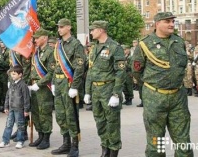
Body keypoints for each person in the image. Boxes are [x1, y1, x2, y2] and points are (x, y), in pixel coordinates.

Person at [132, 12, 194, 157]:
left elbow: (181, 67)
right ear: (157, 23)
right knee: (156, 145)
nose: (172, 24)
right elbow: (136, 71)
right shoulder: (144, 44)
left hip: (178, 98)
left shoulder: (179, 42)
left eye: (173, 21)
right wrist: (154, 87)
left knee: (184, 143)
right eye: (167, 21)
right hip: (155, 98)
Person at [84, 21, 126, 157]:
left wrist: (116, 94)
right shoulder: (95, 48)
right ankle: (105, 148)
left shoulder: (114, 47)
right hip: (96, 90)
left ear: (101, 30)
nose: (91, 32)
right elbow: (91, 71)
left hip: (108, 89)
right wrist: (87, 91)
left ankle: (113, 150)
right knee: (100, 121)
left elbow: (120, 72)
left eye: (93, 30)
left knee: (112, 123)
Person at [52, 18, 85, 157]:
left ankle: (74, 146)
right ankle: (65, 143)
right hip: (59, 83)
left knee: (71, 115)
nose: (59, 29)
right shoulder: (58, 44)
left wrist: (75, 86)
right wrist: (53, 82)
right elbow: (56, 65)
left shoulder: (76, 44)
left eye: (61, 27)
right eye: (58, 27)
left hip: (68, 82)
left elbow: (79, 66)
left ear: (68, 28)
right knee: (60, 115)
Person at [28, 28, 55, 150]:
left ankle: (46, 138)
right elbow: (32, 69)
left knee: (44, 112)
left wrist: (39, 84)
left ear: (44, 38)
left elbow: (51, 72)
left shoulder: (50, 52)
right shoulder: (36, 52)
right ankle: (40, 135)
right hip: (34, 87)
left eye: (37, 38)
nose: (35, 40)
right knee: (36, 112)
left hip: (44, 87)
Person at [0, 65, 30, 149]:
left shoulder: (23, 85)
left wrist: (26, 110)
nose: (12, 76)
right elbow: (8, 96)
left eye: (14, 74)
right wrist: (6, 107)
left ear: (20, 75)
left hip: (19, 109)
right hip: (11, 108)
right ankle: (5, 141)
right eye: (12, 74)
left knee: (20, 126)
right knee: (8, 125)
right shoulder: (12, 84)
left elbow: (26, 98)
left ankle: (20, 141)